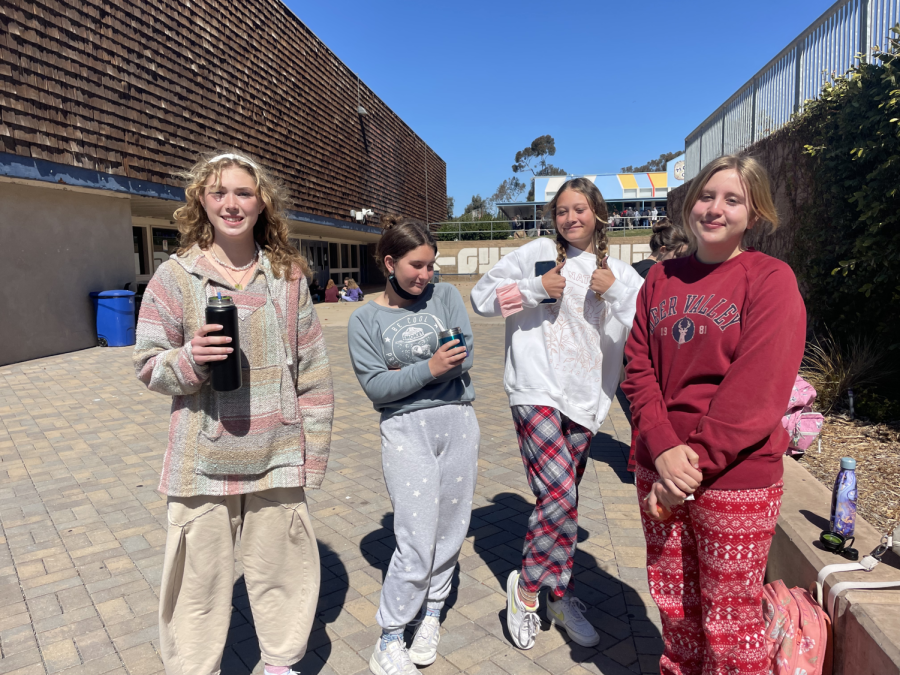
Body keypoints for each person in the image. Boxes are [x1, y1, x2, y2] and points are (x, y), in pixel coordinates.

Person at [133, 151, 334, 675]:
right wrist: (189, 360)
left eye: (243, 192)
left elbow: (312, 375)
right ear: (201, 198)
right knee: (196, 584)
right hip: (202, 460)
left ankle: (280, 663)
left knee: (283, 572)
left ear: (262, 201)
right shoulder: (175, 278)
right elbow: (149, 366)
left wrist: (312, 458)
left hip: (278, 452)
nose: (231, 203)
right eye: (218, 192)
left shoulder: (288, 279)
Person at [622, 154, 806, 675]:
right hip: (659, 470)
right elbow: (638, 367)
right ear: (690, 202)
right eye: (707, 195)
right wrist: (661, 447)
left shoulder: (769, 279)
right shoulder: (659, 279)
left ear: (755, 213)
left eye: (733, 199)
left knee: (730, 622)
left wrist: (690, 464)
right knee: (676, 610)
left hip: (734, 477)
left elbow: (758, 389)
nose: (715, 209)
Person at [470, 177, 643, 651]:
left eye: (581, 209)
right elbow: (481, 299)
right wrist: (533, 288)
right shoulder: (536, 253)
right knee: (561, 496)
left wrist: (617, 295)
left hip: (586, 401)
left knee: (561, 504)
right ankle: (527, 590)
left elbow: (648, 323)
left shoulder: (621, 274)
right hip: (535, 388)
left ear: (599, 214)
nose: (571, 219)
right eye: (563, 210)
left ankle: (560, 596)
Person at [348, 215, 479, 675]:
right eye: (416, 265)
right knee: (415, 536)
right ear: (390, 262)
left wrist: (445, 366)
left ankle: (432, 614)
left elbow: (466, 354)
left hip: (459, 421)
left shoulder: (444, 296)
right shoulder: (365, 317)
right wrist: (431, 370)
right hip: (405, 429)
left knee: (450, 528)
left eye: (431, 265)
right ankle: (389, 634)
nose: (426, 275)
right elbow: (377, 389)